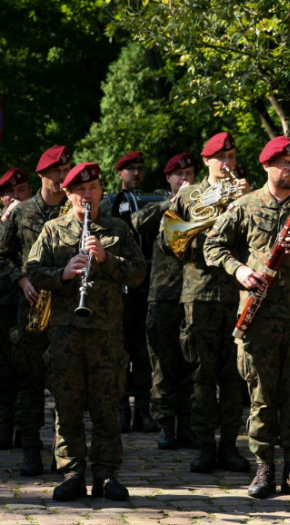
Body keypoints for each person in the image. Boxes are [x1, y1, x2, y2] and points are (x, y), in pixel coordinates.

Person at [205, 136, 290, 499]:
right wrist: (239, 270)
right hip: (258, 317)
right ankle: (264, 467)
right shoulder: (245, 206)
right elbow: (212, 246)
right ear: (266, 166)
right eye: (283, 163)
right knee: (262, 395)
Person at [27, 162, 146, 501]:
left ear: (100, 191)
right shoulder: (53, 229)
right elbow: (33, 271)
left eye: (93, 189)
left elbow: (138, 274)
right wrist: (63, 273)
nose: (87, 196)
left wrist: (107, 259)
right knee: (68, 404)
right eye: (80, 190)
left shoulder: (117, 229)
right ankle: (73, 472)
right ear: (68, 193)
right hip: (66, 332)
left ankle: (106, 473)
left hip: (106, 332)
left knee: (107, 404)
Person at [160, 132, 251, 474]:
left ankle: (229, 445)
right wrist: (204, 217)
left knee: (232, 377)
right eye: (221, 159)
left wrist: (242, 203)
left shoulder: (246, 192)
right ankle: (203, 446)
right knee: (201, 373)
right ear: (207, 162)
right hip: (197, 294)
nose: (227, 165)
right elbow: (166, 243)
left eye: (231, 157)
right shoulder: (189, 195)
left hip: (235, 292)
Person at [0, 145, 71, 476]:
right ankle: (30, 449)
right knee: (30, 380)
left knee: (67, 381)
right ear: (42, 175)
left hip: (67, 306)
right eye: (57, 171)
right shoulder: (21, 213)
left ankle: (64, 451)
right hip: (34, 307)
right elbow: (0, 255)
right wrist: (21, 280)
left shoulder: (77, 209)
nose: (63, 177)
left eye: (66, 169)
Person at [143, 152, 196, 449]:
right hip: (162, 297)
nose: (185, 178)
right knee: (163, 366)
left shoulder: (203, 206)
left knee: (189, 365)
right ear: (168, 178)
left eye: (189, 173)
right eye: (179, 174)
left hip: (191, 296)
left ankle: (187, 424)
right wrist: (172, 203)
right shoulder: (161, 206)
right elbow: (137, 221)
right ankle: (165, 426)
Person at [0, 167, 32, 450]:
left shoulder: (38, 218)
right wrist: (4, 221)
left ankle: (26, 429)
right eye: (8, 193)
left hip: (29, 301)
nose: (15, 197)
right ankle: (4, 425)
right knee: (1, 368)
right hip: (0, 304)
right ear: (0, 198)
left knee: (27, 368)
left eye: (21, 191)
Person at [111, 150, 158, 433]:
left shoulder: (154, 200)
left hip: (146, 285)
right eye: (130, 169)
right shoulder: (109, 203)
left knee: (143, 353)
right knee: (118, 352)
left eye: (140, 168)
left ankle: (143, 410)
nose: (136, 174)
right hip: (119, 288)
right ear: (120, 173)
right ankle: (119, 410)